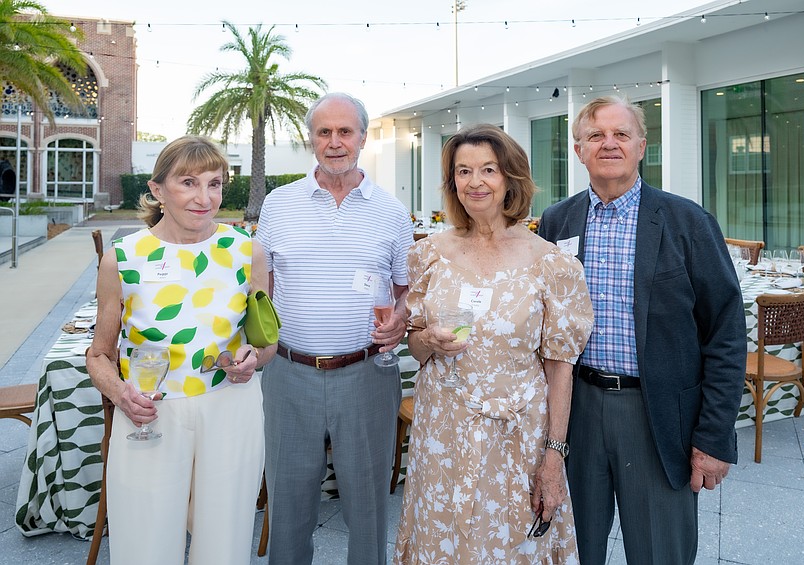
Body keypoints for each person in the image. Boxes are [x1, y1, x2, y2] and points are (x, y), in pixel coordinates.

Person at [537, 96, 747, 564]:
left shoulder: (687, 221)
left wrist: (714, 437)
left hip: (658, 416)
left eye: (620, 134)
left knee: (660, 552)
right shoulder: (557, 221)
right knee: (573, 548)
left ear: (641, 147)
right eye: (595, 135)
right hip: (577, 412)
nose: (608, 143)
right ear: (578, 151)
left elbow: (727, 333)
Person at [394, 124, 594, 564]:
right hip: (443, 434)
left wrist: (554, 459)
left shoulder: (552, 263)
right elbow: (415, 346)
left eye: (488, 169)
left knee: (510, 546)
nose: (475, 181)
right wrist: (426, 338)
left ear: (511, 178)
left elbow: (561, 367)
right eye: (463, 171)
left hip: (516, 438)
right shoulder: (429, 253)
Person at [86, 136, 273, 564]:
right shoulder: (123, 258)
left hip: (231, 408)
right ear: (157, 190)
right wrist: (120, 394)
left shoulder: (247, 251)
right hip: (149, 415)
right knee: (144, 543)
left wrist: (254, 359)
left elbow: (266, 342)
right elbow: (98, 354)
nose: (204, 197)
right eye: (188, 183)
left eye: (215, 183)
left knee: (223, 544)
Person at [256, 92, 413, 565]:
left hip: (367, 374)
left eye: (345, 131)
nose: (335, 141)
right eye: (324, 132)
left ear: (363, 137)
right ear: (311, 139)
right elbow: (259, 293)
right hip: (289, 373)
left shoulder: (391, 212)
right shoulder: (278, 206)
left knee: (367, 509)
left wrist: (402, 318)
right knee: (288, 506)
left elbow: (408, 291)